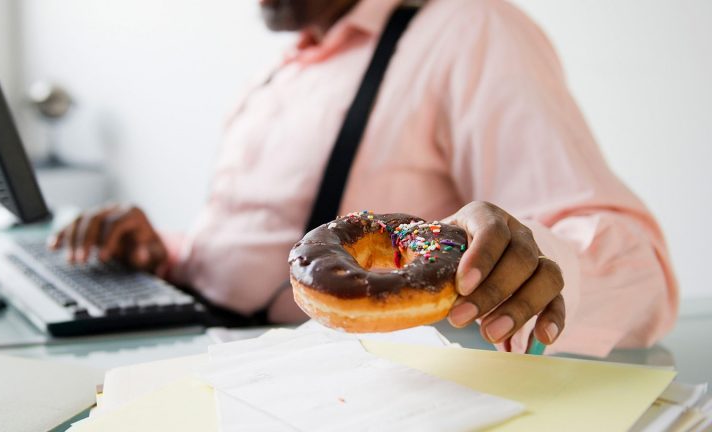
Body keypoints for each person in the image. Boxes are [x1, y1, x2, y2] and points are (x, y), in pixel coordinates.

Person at [51, 0, 678, 356]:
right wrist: (164, 252)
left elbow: (640, 273)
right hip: (181, 339)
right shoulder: (280, 70)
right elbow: (260, 246)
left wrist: (528, 256)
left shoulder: (469, 29)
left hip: (303, 387)